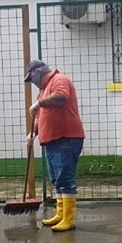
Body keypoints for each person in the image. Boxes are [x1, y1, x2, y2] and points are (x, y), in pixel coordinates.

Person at [25, 59, 86, 232]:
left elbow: (61, 96)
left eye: (31, 78)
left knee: (64, 178)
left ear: (38, 72)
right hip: (52, 141)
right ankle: (61, 214)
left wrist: (39, 103)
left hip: (66, 138)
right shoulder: (42, 91)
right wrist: (33, 133)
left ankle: (69, 219)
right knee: (57, 179)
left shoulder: (59, 80)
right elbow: (40, 117)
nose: (32, 82)